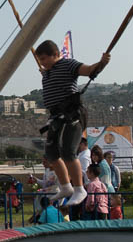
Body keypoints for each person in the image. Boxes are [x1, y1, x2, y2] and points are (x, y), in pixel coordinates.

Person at [33, 39, 110, 209]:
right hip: (56, 116)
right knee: (51, 154)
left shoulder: (68, 65)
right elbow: (46, 70)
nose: (43, 63)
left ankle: (79, 189)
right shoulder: (47, 72)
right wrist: (45, 68)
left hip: (72, 114)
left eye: (45, 59)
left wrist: (101, 63)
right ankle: (66, 187)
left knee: (68, 152)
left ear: (56, 55)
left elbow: (90, 70)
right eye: (40, 61)